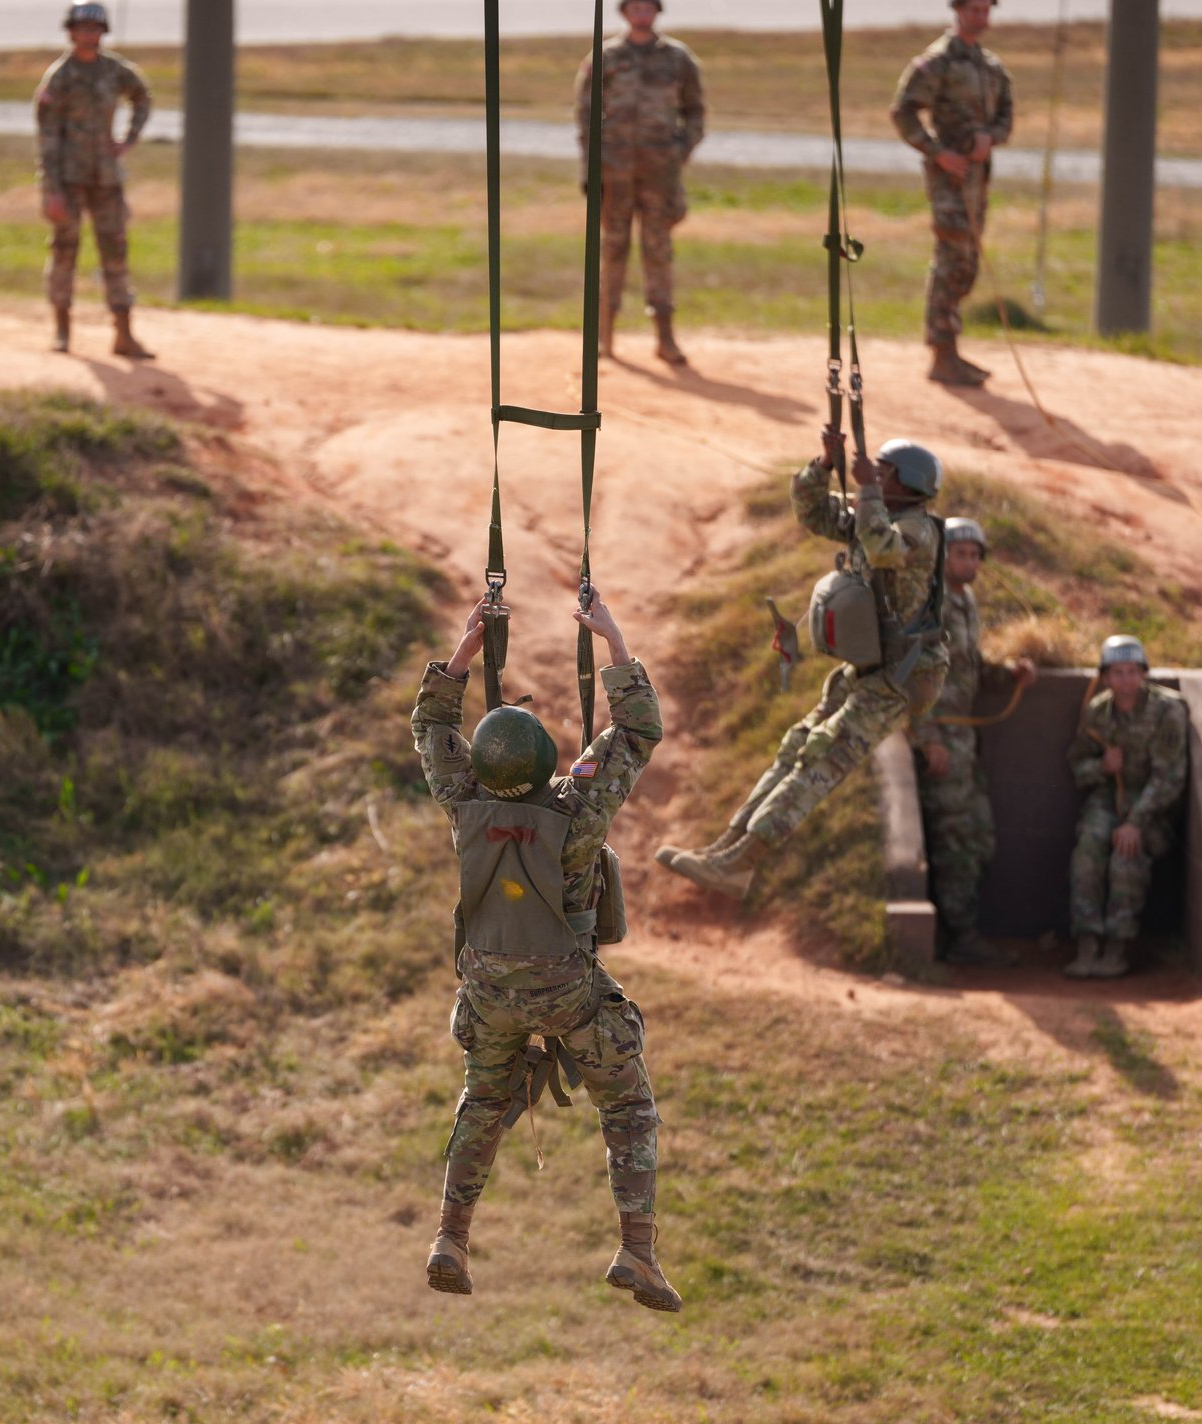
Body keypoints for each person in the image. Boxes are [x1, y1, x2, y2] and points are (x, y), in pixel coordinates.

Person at [414, 590, 680, 1313]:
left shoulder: (463, 802)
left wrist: (469, 647)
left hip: (488, 989)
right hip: (567, 987)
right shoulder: (574, 810)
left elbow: (430, 724)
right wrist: (613, 643)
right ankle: (637, 1249)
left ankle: (451, 1237)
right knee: (627, 1103)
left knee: (484, 1097)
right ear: (541, 764)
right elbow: (637, 731)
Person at [657, 430, 948, 898]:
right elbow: (813, 511)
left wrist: (868, 490)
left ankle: (742, 860)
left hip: (903, 676)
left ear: (909, 485)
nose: (874, 475)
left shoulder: (919, 530)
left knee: (824, 757)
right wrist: (824, 464)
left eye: (885, 471)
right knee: (797, 747)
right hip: (871, 670)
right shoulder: (874, 515)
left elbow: (880, 548)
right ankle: (727, 851)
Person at [912, 517, 1035, 966]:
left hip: (965, 738)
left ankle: (958, 932)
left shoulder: (967, 602)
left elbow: (970, 666)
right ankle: (959, 938)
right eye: (958, 553)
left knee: (978, 837)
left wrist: (1010, 673)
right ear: (942, 557)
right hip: (943, 733)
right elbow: (912, 672)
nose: (966, 561)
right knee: (954, 840)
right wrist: (928, 739)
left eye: (973, 555)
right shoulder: (931, 601)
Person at [577, 0, 706, 367]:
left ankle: (665, 339)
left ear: (657, 12)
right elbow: (585, 115)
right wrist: (590, 169)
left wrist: (682, 148)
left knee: (658, 252)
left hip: (659, 174)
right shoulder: (605, 56)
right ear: (624, 12)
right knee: (612, 250)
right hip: (614, 173)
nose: (641, 13)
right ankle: (604, 338)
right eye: (635, 7)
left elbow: (695, 109)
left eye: (647, 7)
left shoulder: (678, 58)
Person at [891, 0, 1013, 388]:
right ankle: (942, 353)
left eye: (985, 10)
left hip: (978, 179)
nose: (980, 17)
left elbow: (1006, 117)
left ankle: (952, 351)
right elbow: (903, 111)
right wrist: (937, 152)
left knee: (967, 262)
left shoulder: (990, 67)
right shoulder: (937, 61)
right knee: (951, 257)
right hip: (950, 180)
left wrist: (989, 137)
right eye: (973, 10)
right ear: (957, 11)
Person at [1063, 635, 1187, 980]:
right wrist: (1102, 767)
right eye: (1117, 672)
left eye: (1133, 671)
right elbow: (1076, 765)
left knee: (1125, 856)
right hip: (1108, 799)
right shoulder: (1096, 712)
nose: (1126, 680)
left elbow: (1169, 779)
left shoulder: (1167, 711)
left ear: (1144, 673)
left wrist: (1136, 822)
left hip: (1152, 807)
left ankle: (1118, 947)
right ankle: (1087, 943)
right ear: (1105, 677)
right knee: (1088, 848)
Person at [35, 1, 153, 360]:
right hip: (68, 180)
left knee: (115, 252)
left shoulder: (114, 71)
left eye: (95, 29)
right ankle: (62, 329)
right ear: (71, 32)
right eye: (83, 28)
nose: (89, 35)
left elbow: (142, 96)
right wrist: (51, 189)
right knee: (64, 252)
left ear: (103, 33)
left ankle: (124, 334)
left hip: (106, 178)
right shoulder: (59, 77)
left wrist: (129, 138)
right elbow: (47, 137)